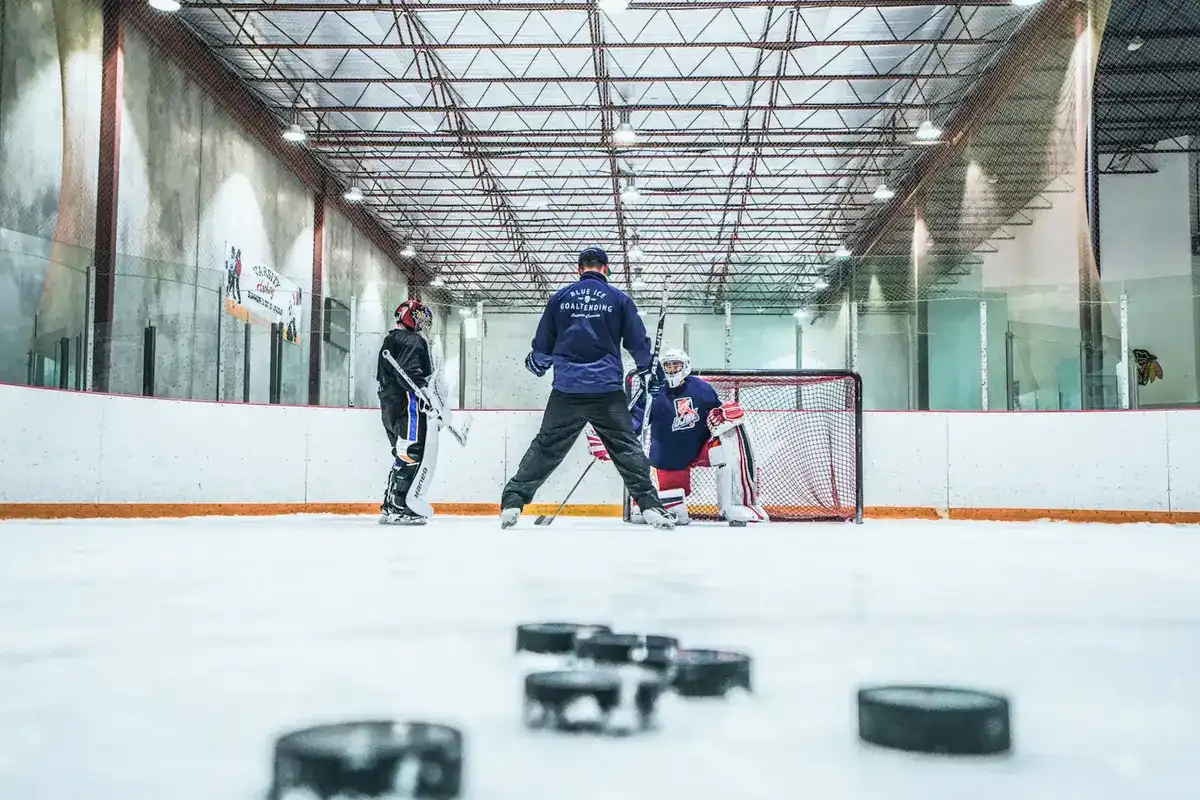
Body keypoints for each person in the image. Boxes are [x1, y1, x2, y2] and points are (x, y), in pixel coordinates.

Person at [500, 245, 675, 530]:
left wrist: (537, 362)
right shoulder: (619, 299)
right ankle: (651, 506)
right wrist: (649, 372)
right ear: (606, 269)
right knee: (627, 449)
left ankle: (512, 502)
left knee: (545, 448)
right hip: (606, 391)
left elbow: (544, 343)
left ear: (579, 269)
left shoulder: (560, 298)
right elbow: (637, 342)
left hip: (567, 391)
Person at [590, 348, 768, 526]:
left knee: (732, 437)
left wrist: (723, 415)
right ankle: (647, 506)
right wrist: (611, 438)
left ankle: (739, 505)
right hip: (669, 457)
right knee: (676, 512)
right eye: (668, 365)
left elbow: (719, 413)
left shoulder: (701, 388)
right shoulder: (653, 392)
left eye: (676, 365)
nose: (672, 369)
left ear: (686, 366)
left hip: (701, 448)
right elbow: (635, 422)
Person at [376, 299, 438, 526]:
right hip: (408, 404)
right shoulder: (413, 340)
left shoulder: (391, 339)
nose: (422, 325)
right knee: (411, 452)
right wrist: (426, 393)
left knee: (402, 453)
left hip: (390, 405)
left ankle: (391, 505)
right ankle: (400, 506)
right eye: (419, 318)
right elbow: (410, 372)